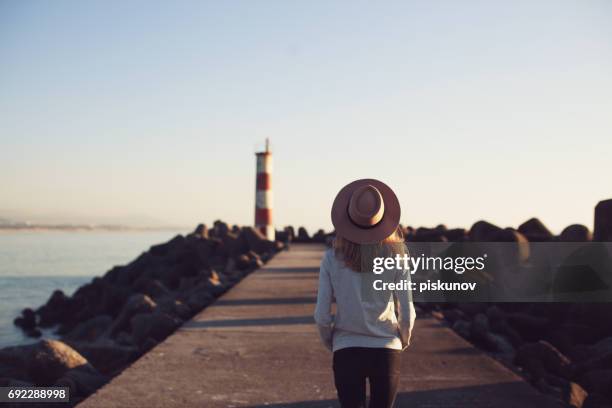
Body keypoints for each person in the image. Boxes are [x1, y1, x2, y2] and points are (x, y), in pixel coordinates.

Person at [314, 178, 416, 408]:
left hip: (346, 349)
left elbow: (321, 315)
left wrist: (334, 342)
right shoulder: (398, 257)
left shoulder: (331, 258)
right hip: (387, 349)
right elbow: (408, 313)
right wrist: (402, 340)